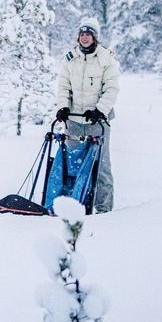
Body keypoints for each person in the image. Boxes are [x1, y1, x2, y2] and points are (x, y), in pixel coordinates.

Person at [53, 17, 120, 213]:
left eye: (88, 34)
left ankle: (103, 207)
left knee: (101, 166)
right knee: (72, 163)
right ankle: (73, 204)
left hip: (97, 122)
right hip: (74, 120)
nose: (84, 38)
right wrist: (63, 107)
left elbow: (112, 88)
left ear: (95, 37)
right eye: (82, 34)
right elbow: (63, 86)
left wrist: (100, 110)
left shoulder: (106, 58)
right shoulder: (70, 58)